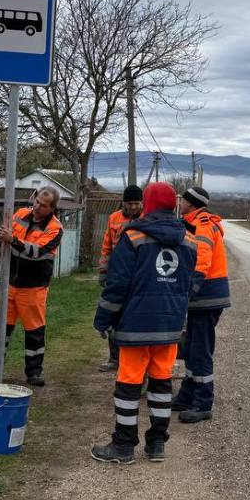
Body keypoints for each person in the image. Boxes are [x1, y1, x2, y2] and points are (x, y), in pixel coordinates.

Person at [90, 181, 202, 464]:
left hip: (136, 326)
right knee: (162, 385)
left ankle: (124, 446)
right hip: (169, 327)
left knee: (128, 385)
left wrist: (103, 318)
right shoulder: (189, 240)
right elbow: (191, 283)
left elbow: (117, 285)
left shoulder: (133, 237)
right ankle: (156, 444)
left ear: (148, 204)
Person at [0, 186, 63, 387]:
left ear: (52, 208)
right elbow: (6, 237)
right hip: (10, 282)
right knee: (0, 328)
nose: (36, 206)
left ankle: (34, 373)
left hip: (34, 287)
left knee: (34, 331)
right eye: (36, 201)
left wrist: (13, 241)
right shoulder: (19, 215)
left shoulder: (55, 228)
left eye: (43, 205)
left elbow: (38, 252)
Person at [173, 186, 230, 423]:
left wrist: (190, 290)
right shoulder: (194, 222)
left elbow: (202, 259)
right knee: (191, 347)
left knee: (201, 349)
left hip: (207, 296)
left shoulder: (203, 224)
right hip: (204, 297)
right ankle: (188, 394)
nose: (180, 203)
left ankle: (203, 402)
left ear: (191, 203)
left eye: (183, 200)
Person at [96, 184, 144, 371]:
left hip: (139, 274)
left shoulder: (147, 218)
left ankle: (132, 359)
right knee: (113, 315)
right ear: (123, 202)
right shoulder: (113, 218)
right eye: (129, 203)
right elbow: (107, 246)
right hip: (117, 273)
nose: (133, 207)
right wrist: (103, 270)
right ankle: (114, 358)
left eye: (136, 203)